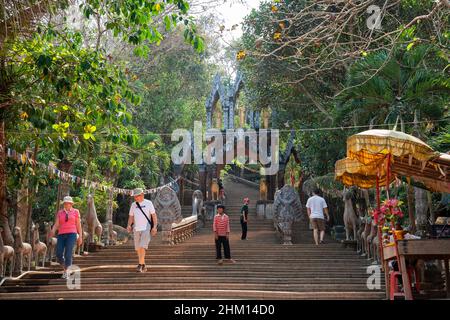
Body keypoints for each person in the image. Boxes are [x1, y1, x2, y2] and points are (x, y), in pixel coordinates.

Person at [50, 196, 83, 278]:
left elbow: (78, 225)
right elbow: (57, 224)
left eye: (68, 203)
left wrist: (80, 237)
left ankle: (67, 271)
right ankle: (65, 267)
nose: (66, 204)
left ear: (71, 204)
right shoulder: (60, 212)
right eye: (65, 203)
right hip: (61, 234)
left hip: (72, 234)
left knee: (68, 253)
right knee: (58, 253)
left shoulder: (76, 212)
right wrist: (53, 230)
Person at [127, 188, 158, 273]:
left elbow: (154, 216)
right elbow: (131, 217)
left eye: (137, 196)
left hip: (146, 227)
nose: (135, 198)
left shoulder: (148, 203)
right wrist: (129, 225)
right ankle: (143, 264)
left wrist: (154, 227)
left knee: (142, 246)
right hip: (136, 228)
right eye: (135, 197)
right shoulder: (133, 205)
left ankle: (140, 264)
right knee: (138, 248)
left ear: (142, 195)